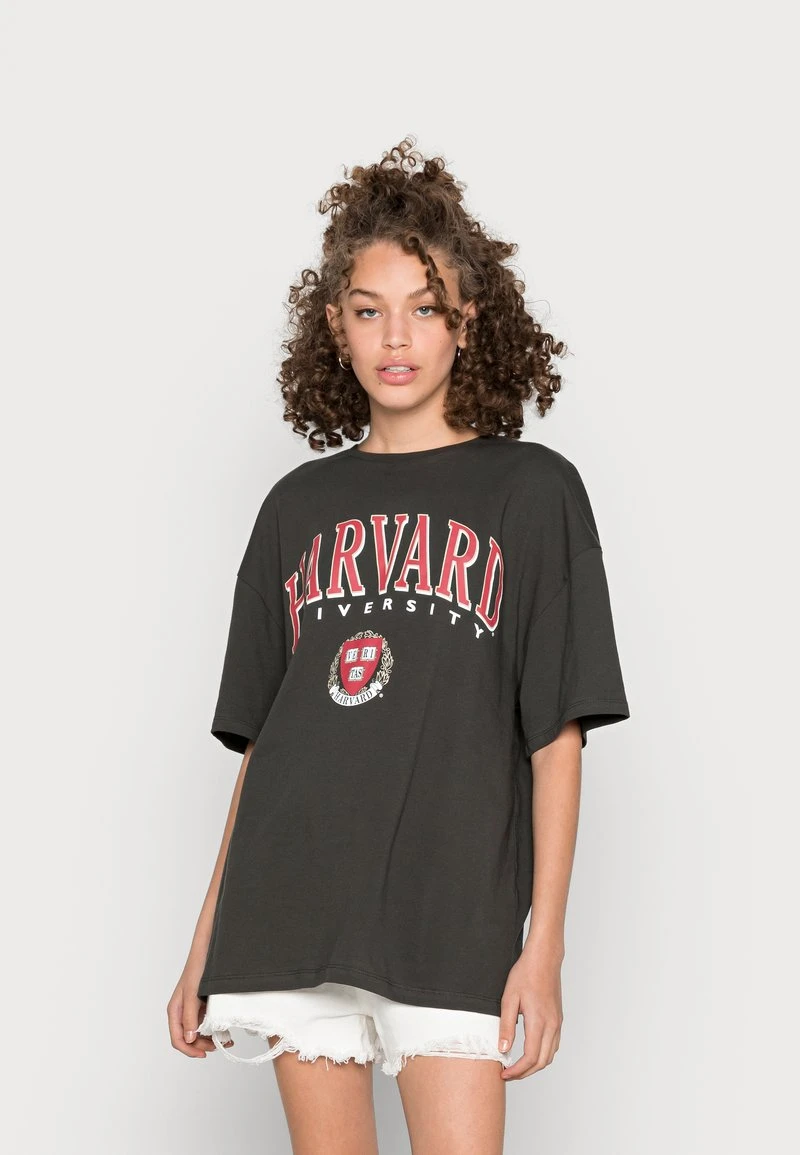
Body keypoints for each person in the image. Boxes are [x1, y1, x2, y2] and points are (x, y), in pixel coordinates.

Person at [167, 136, 630, 1154]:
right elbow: (263, 746)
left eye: (425, 308)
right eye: (369, 309)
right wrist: (208, 938)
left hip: (450, 915)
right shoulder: (295, 507)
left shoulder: (532, 492)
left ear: (469, 322)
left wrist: (543, 946)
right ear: (333, 325)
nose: (396, 337)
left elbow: (555, 735)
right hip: (291, 906)